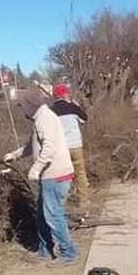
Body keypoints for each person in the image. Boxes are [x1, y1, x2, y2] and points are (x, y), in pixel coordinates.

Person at [4, 89, 78, 265]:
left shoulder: (46, 119)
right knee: (43, 214)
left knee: (53, 215)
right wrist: (14, 155)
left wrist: (36, 168)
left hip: (56, 174)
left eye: (22, 106)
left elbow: (49, 148)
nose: (22, 111)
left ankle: (69, 253)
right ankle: (45, 250)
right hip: (50, 175)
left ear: (30, 105)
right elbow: (32, 146)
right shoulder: (40, 119)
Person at [50, 84, 90, 215]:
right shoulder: (73, 107)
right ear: (66, 94)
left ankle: (62, 203)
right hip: (76, 145)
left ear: (55, 96)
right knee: (80, 174)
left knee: (63, 176)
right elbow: (85, 118)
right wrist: (76, 105)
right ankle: (83, 202)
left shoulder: (51, 111)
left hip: (61, 148)